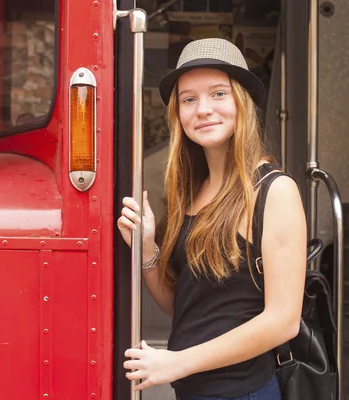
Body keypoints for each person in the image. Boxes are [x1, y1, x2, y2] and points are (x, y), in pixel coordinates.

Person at [117, 38, 306, 400]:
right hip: (194, 391)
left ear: (242, 103)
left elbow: (283, 321)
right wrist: (147, 249)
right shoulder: (190, 191)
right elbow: (185, 308)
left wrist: (176, 363)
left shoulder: (274, 191)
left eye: (218, 94)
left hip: (243, 392)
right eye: (189, 99)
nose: (203, 109)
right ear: (178, 114)